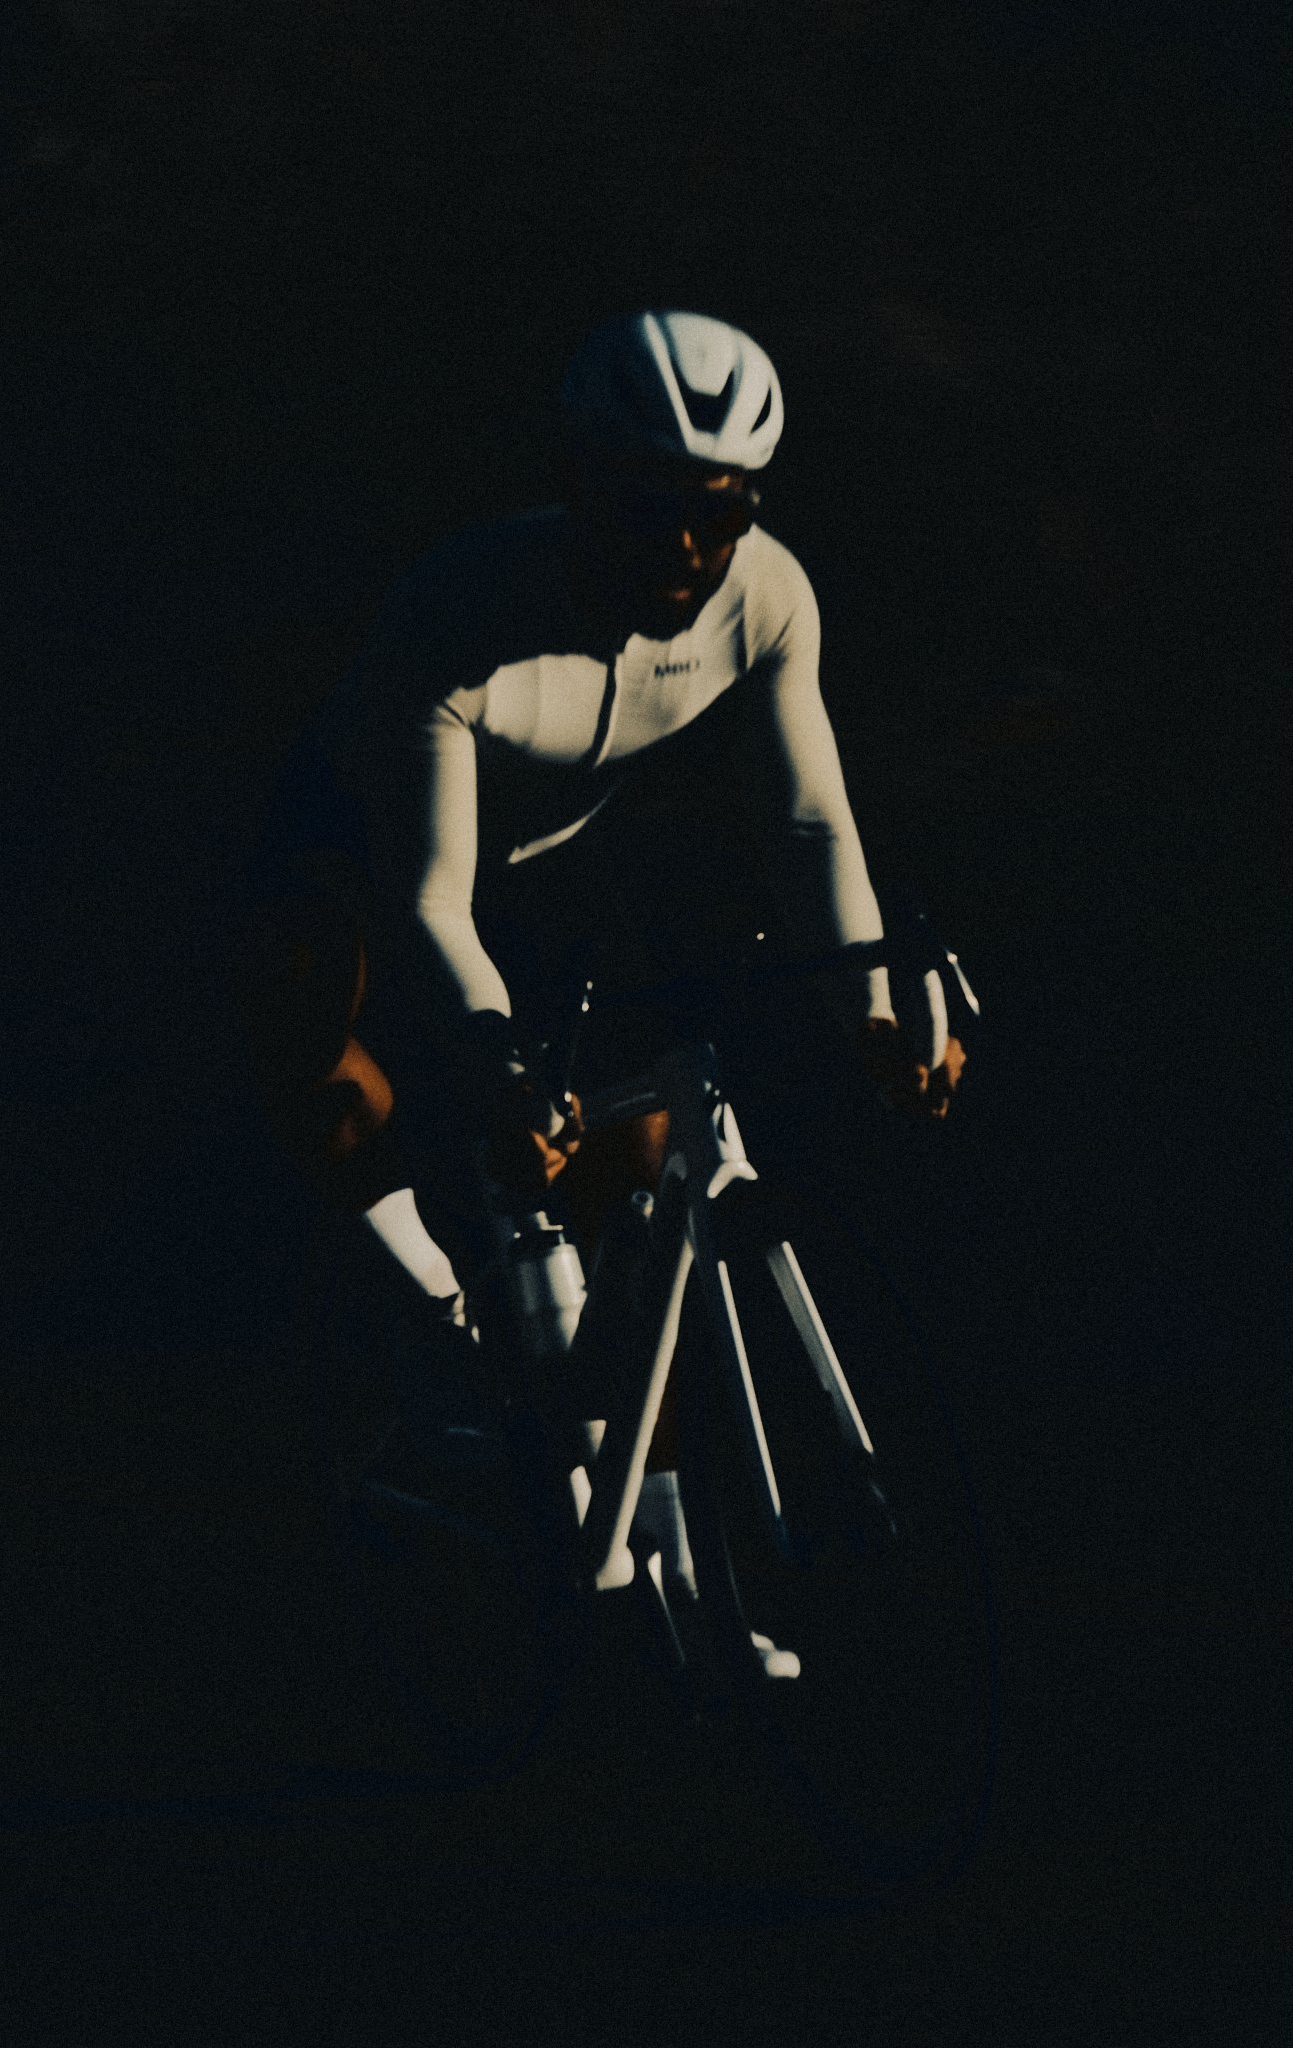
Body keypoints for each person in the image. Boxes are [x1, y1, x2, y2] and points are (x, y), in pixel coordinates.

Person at [239, 310, 966, 1665]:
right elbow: (426, 905)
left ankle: (660, 1550)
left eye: (721, 513)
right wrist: (495, 1061)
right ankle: (424, 1293)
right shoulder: (457, 614)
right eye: (645, 514)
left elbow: (808, 829)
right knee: (318, 1025)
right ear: (575, 487)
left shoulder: (767, 598)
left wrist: (872, 1013)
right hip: (363, 846)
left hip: (552, 847)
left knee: (637, 1166)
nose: (687, 554)